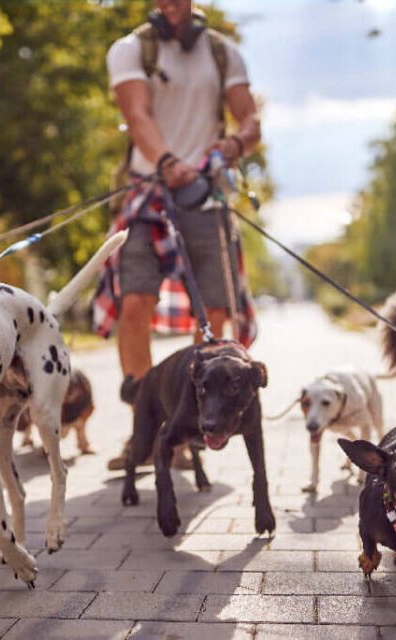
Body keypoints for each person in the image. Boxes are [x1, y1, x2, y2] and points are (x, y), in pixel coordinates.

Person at [96, 0, 261, 470]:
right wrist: (167, 162)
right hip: (147, 192)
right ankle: (144, 432)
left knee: (214, 315)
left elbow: (251, 122)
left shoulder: (223, 53)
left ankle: (191, 429)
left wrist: (235, 143)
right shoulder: (131, 49)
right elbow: (137, 115)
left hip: (206, 199)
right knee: (134, 302)